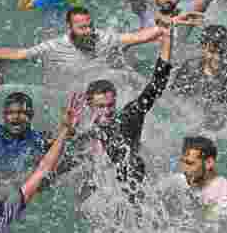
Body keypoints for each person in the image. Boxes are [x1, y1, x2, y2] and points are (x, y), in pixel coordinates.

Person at [60, 24, 173, 197]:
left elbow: (156, 84)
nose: (106, 111)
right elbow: (59, 163)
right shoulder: (88, 132)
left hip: (131, 184)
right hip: (101, 187)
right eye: (100, 107)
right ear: (89, 105)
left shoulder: (129, 117)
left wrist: (167, 41)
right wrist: (67, 130)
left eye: (110, 106)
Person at [0, 93, 81, 233]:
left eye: (22, 113)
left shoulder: (37, 139)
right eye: (11, 113)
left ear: (31, 115)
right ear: (3, 115)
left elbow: (61, 153)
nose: (16, 117)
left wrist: (67, 129)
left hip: (18, 187)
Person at [0, 6, 168, 73]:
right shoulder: (55, 45)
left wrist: (170, 24)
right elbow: (20, 54)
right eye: (82, 28)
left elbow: (138, 36)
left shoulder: (103, 37)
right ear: (69, 28)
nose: (89, 31)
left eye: (90, 26)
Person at [170, 25, 227, 127]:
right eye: (212, 52)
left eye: (222, 52)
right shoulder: (190, 70)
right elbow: (174, 103)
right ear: (203, 49)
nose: (218, 58)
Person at [161, 136, 227, 220]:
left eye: (190, 163)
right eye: (183, 161)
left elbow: (211, 223)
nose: (184, 169)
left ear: (208, 163)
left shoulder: (224, 191)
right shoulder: (180, 179)